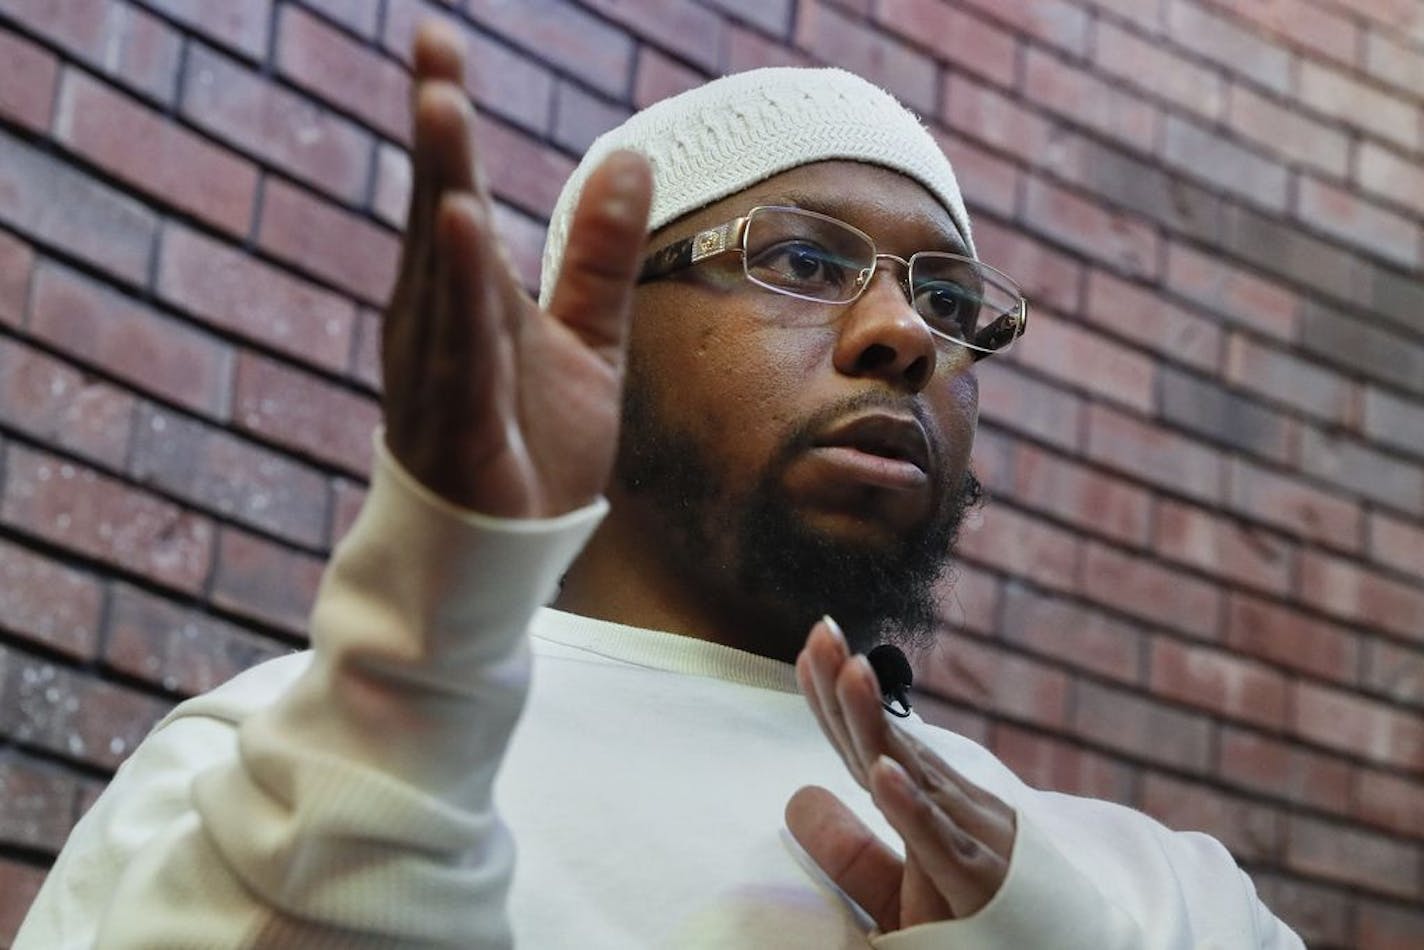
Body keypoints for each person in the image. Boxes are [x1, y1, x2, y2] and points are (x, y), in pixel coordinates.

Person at [17, 22, 1303, 949]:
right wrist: (402, 709)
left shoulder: (1158, 893)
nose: (905, 333)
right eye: (804, 257)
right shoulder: (277, 757)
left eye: (949, 300)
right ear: (597, 332)